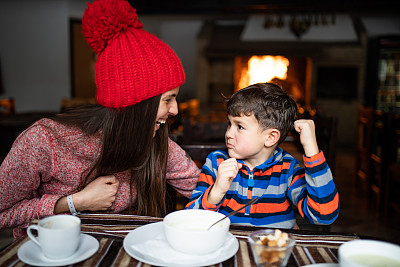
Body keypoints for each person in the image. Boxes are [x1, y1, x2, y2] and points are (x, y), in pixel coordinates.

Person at [0, 0, 200, 239]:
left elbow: (202, 188)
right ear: (137, 104)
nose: (175, 110)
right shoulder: (45, 140)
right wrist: (73, 203)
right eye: (168, 99)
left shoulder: (156, 142)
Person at [186, 83, 339, 228]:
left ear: (271, 137)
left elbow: (323, 215)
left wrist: (311, 148)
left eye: (239, 126)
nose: (228, 134)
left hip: (273, 252)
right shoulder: (216, 162)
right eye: (229, 124)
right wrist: (216, 191)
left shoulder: (287, 168)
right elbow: (191, 220)